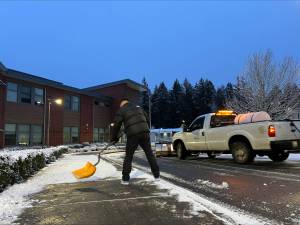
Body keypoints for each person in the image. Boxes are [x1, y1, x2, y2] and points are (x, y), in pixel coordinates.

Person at [110, 98, 160, 185]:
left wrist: (114, 138)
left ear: (122, 104)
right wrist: (145, 129)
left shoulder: (122, 109)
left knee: (129, 156)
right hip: (145, 132)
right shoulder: (138, 107)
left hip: (133, 134)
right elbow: (147, 119)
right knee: (149, 154)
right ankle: (157, 176)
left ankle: (125, 179)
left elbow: (116, 125)